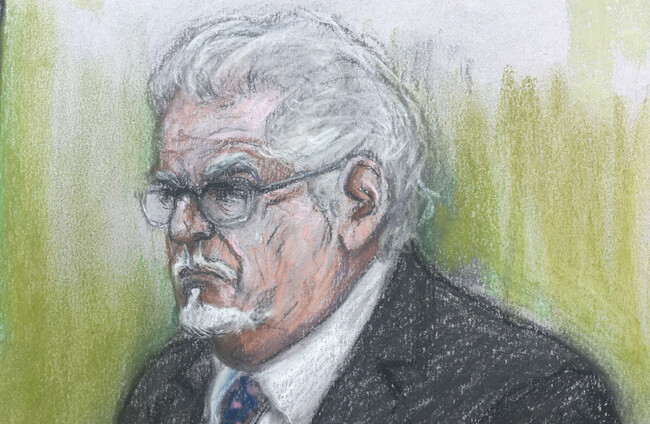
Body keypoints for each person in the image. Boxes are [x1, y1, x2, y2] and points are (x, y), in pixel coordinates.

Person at [119, 11, 620, 424]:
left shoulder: (529, 397)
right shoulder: (164, 390)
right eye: (171, 194)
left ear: (359, 203)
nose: (182, 227)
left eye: (229, 193)